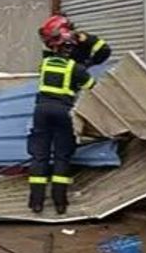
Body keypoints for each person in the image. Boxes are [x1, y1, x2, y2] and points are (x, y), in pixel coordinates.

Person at [27, 15, 96, 215]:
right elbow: (92, 86)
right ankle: (60, 204)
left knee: (39, 157)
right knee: (61, 156)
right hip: (63, 112)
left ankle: (36, 203)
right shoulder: (76, 68)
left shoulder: (44, 65)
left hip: (41, 111)